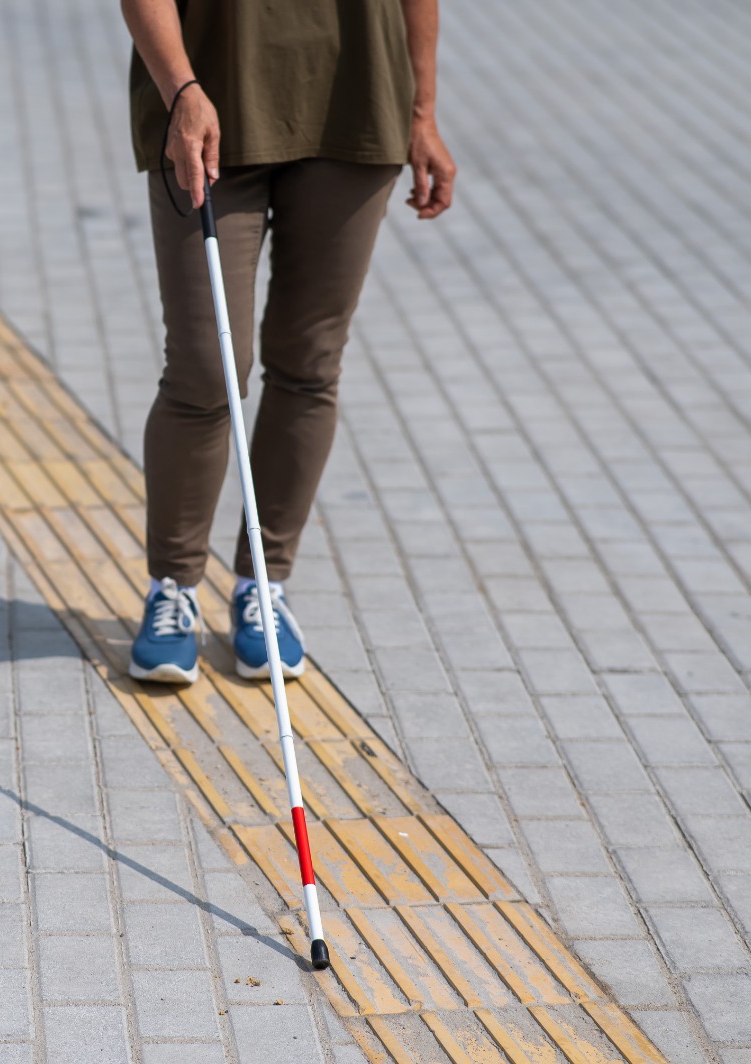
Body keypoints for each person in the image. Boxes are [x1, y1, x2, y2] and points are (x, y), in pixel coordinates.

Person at [121, 0, 455, 685]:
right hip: (206, 107)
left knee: (309, 365)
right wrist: (179, 88)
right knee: (205, 368)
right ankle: (174, 588)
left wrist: (421, 111)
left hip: (356, 108)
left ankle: (260, 586)